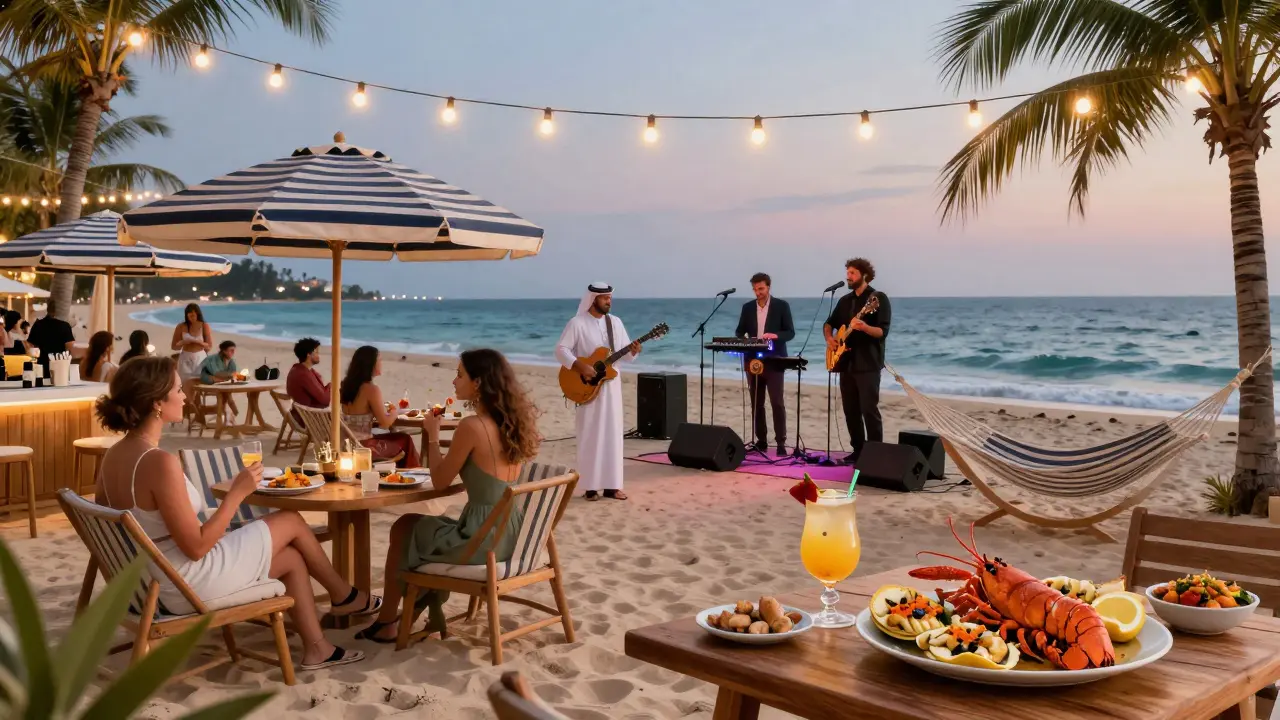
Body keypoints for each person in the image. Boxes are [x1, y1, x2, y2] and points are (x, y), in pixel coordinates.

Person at [94, 357, 375, 669]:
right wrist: (237, 494)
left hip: (152, 582)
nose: (186, 395)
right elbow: (197, 547)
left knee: (293, 559)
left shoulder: (113, 456)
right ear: (158, 402)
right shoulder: (159, 462)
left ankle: (318, 647)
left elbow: (132, 526)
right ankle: (344, 596)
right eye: (177, 389)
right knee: (290, 520)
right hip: (186, 583)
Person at [357, 348, 540, 642]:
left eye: (459, 375)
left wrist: (431, 434)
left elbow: (440, 481)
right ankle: (405, 614)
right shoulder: (510, 424)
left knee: (405, 527)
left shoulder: (472, 426)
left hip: (481, 541)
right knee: (418, 527)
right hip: (511, 535)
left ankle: (389, 620)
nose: (454, 382)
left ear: (478, 383)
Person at [554, 283, 641, 501]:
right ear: (593, 299)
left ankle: (612, 486)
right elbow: (561, 350)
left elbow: (623, 356)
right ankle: (590, 488)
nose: (609, 301)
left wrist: (633, 351)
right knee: (590, 436)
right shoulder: (577, 323)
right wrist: (580, 366)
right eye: (605, 298)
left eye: (610, 298)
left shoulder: (616, 323)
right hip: (588, 389)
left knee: (613, 436)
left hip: (611, 389)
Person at [823, 258, 892, 464]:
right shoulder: (845, 300)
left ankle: (875, 453)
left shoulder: (878, 299)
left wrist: (864, 328)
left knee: (869, 409)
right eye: (848, 273)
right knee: (850, 410)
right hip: (845, 363)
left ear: (864, 275)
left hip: (868, 363)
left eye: (852, 273)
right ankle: (858, 450)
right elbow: (829, 323)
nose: (848, 277)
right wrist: (830, 339)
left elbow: (882, 332)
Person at [734, 272, 795, 455]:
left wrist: (775, 335)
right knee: (757, 402)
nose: (757, 292)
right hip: (753, 360)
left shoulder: (781, 306)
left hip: (775, 360)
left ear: (768, 287)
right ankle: (761, 440)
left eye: (761, 288)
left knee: (777, 402)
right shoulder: (747, 308)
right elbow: (739, 332)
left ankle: (781, 442)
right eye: (755, 289)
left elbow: (790, 332)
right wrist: (746, 338)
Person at [339, 346, 420, 468]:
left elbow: (358, 416)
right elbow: (385, 423)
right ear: (370, 364)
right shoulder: (371, 389)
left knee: (399, 437)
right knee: (405, 439)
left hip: (346, 444)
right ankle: (411, 475)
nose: (381, 363)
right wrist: (394, 412)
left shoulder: (345, 386)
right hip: (364, 448)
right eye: (379, 360)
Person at [172, 303, 212, 414]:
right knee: (185, 385)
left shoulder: (204, 326)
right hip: (185, 357)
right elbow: (174, 346)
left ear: (197, 314)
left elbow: (209, 346)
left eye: (193, 316)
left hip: (200, 357)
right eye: (189, 316)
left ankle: (197, 412)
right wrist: (183, 342)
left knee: (198, 386)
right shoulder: (181, 326)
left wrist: (200, 343)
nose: (192, 318)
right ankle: (188, 411)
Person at [199, 340, 240, 422]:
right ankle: (229, 408)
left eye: (234, 350)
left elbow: (235, 374)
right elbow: (217, 373)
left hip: (220, 381)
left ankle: (222, 409)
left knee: (227, 384)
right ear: (224, 351)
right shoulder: (213, 359)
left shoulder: (231, 361)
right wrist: (231, 375)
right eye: (231, 350)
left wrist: (233, 376)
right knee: (224, 383)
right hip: (206, 378)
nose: (233, 352)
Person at [287, 337, 330, 410]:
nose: (318, 355)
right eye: (316, 352)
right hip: (309, 416)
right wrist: (331, 386)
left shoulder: (296, 369)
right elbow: (325, 400)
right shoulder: (303, 374)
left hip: (302, 412)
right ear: (308, 355)